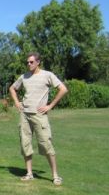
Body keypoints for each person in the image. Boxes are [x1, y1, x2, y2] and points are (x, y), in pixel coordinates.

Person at [9, 52, 68, 186]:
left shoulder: (47, 75)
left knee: (46, 144)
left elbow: (63, 89)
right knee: (25, 144)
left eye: (31, 62)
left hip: (39, 115)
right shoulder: (24, 77)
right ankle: (29, 173)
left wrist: (50, 106)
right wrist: (17, 103)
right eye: (27, 62)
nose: (28, 64)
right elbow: (12, 88)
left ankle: (55, 176)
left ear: (38, 62)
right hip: (25, 115)